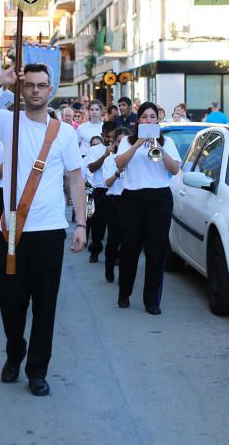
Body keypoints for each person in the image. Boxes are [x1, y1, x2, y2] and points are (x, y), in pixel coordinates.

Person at [0, 63, 86, 397]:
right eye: (28, 85)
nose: (34, 90)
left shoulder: (64, 133)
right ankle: (15, 350)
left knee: (46, 305)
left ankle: (37, 371)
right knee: (10, 301)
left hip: (50, 229)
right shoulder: (6, 122)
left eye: (41, 85)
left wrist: (82, 224)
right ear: (22, 89)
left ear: (50, 89)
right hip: (13, 226)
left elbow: (75, 177)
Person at [113, 102, 181, 314]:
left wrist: (157, 146)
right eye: (144, 117)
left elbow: (175, 169)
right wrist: (138, 144)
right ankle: (124, 293)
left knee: (156, 251)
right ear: (138, 120)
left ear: (157, 120)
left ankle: (152, 300)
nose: (149, 121)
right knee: (129, 249)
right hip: (132, 198)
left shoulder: (166, 141)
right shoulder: (127, 141)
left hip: (159, 198)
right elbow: (119, 164)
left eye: (152, 117)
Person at [83, 122, 117, 263]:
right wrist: (105, 155)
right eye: (108, 136)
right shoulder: (95, 149)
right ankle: (95, 250)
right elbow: (91, 168)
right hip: (100, 190)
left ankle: (114, 254)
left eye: (113, 137)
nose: (111, 140)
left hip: (115, 191)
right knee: (98, 226)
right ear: (102, 134)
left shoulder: (120, 148)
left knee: (116, 226)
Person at [101, 127, 130, 283]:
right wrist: (118, 172)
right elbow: (107, 183)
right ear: (115, 142)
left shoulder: (133, 157)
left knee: (128, 241)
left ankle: (124, 276)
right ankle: (109, 266)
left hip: (130, 200)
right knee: (113, 239)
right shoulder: (109, 160)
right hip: (114, 201)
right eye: (120, 141)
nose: (122, 144)